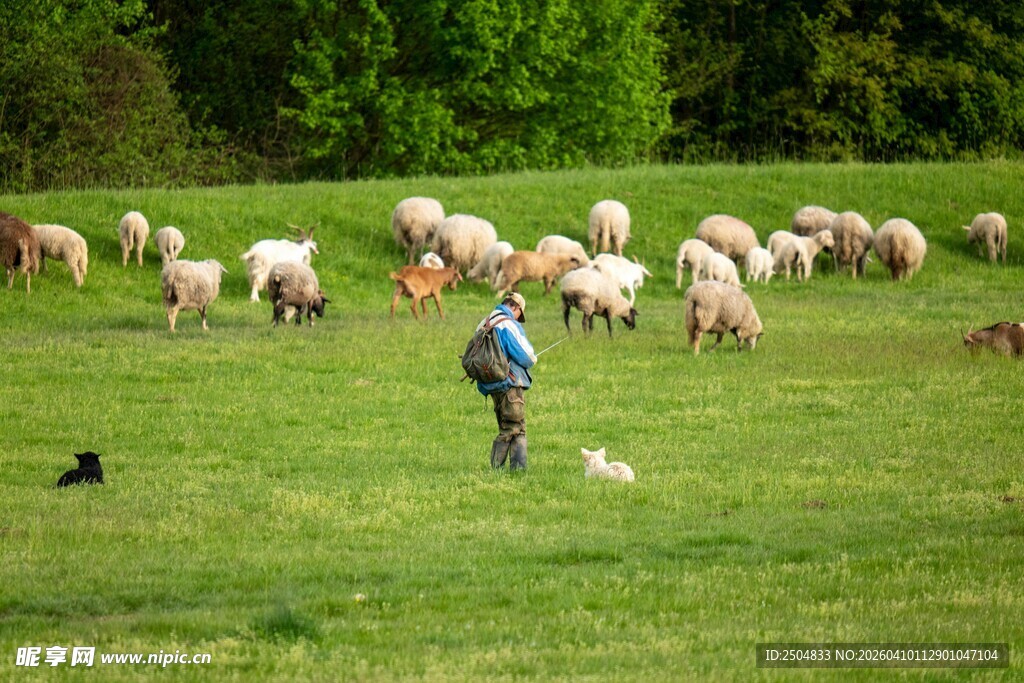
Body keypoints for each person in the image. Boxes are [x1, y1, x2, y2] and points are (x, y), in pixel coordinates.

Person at [475, 292, 537, 470]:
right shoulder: (507, 324)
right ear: (516, 307)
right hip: (509, 383)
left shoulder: (484, 322)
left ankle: (518, 470)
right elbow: (526, 356)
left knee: (512, 425)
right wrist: (533, 359)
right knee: (512, 428)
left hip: (491, 384)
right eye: (520, 314)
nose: (518, 319)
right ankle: (497, 469)